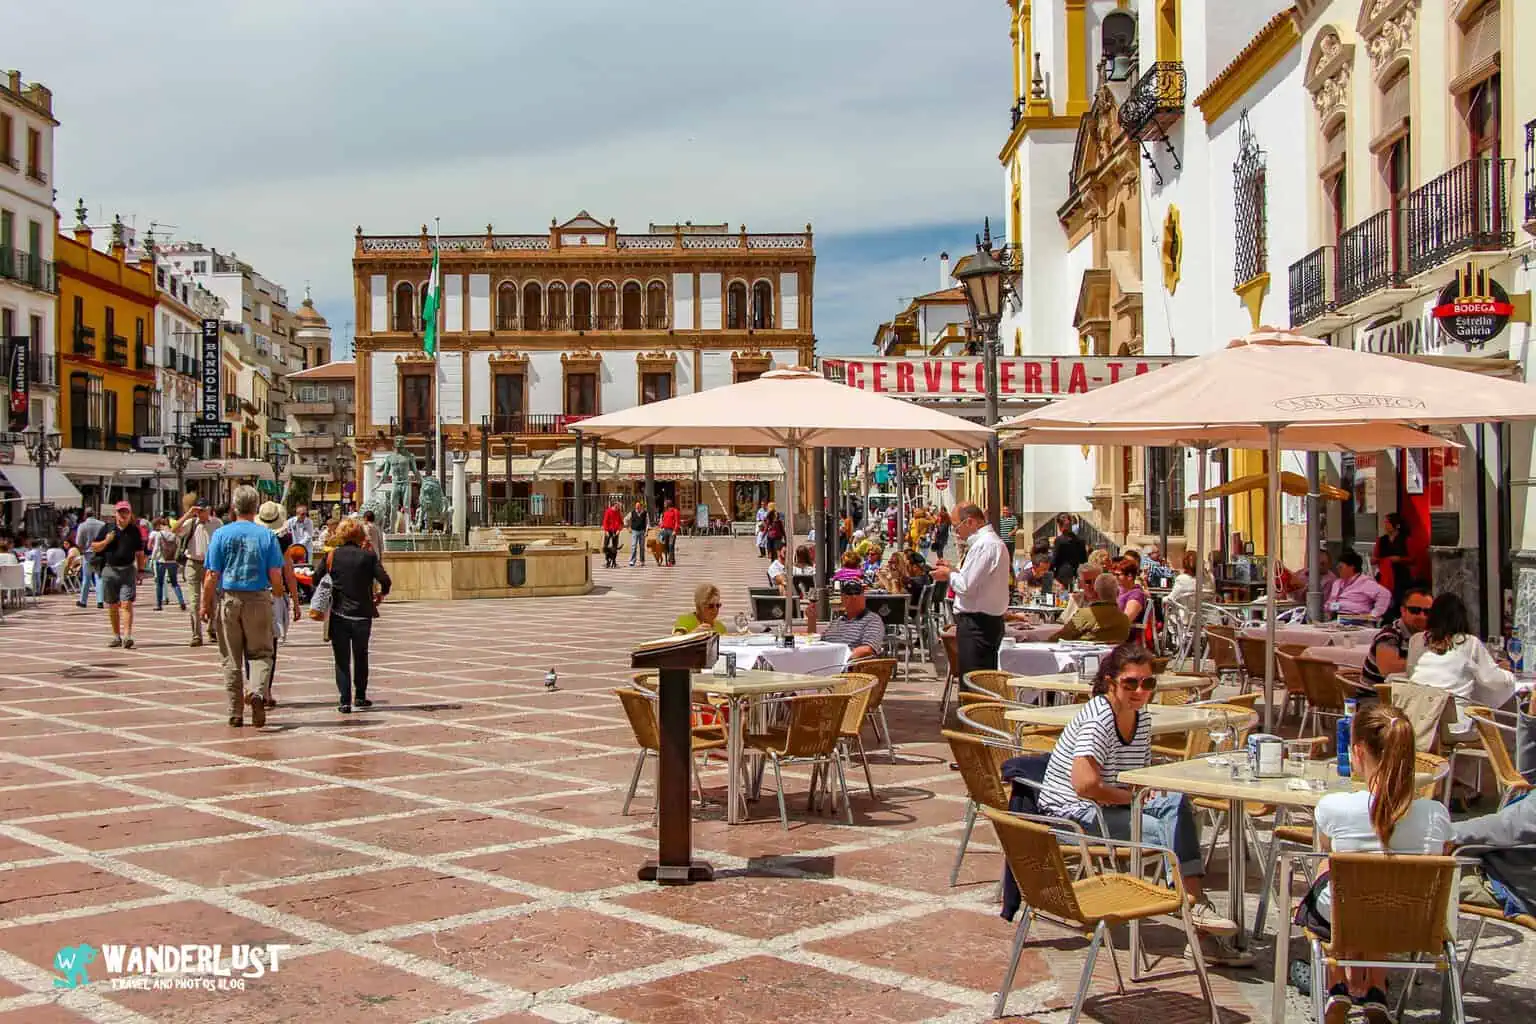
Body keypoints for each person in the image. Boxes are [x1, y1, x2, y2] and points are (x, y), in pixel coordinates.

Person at [1036, 643, 1246, 965]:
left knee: (1175, 803)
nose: (1139, 690)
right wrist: (1132, 798)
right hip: (1072, 817)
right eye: (1130, 683)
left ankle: (1193, 908)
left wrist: (1145, 794)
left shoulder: (1141, 719)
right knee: (1167, 832)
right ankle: (1196, 913)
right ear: (1110, 682)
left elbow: (1135, 777)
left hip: (1109, 807)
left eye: (1147, 683)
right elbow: (1085, 785)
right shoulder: (1099, 718)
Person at [1308, 703, 1452, 1022]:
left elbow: (1324, 856)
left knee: (1331, 870)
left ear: (1358, 752)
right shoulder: (1435, 813)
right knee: (1387, 886)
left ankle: (1337, 983)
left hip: (1348, 915)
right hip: (1414, 920)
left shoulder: (1335, 807)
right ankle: (1376, 989)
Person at [202, 486, 286, 728]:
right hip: (259, 598)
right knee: (261, 653)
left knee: (231, 657)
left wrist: (205, 605)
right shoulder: (266, 536)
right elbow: (275, 574)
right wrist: (278, 595)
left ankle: (235, 711)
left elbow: (211, 575)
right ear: (256, 507)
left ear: (233, 507)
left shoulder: (221, 534)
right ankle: (258, 692)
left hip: (230, 599)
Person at [1406, 592, 1516, 738]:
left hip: (1417, 721)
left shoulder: (1416, 640)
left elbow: (1411, 672)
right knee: (1504, 713)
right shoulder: (1468, 642)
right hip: (1452, 726)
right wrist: (1510, 675)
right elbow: (1492, 679)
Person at [932, 503, 1009, 683]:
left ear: (971, 522)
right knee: (973, 679)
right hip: (978, 622)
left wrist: (949, 574)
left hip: (978, 623)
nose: (955, 532)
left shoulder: (986, 545)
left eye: (956, 526)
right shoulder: (985, 545)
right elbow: (975, 580)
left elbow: (966, 587)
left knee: (974, 682)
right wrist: (953, 570)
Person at [323, 517, 391, 713]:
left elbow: (315, 579)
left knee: (342, 658)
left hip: (339, 614)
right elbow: (385, 580)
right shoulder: (368, 557)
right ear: (360, 535)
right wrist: (380, 594)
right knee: (361, 655)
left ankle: (344, 701)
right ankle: (360, 696)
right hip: (362, 615)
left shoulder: (333, 556)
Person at [1452, 790, 1536, 922]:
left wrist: (1431, 833)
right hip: (1513, 874)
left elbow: (1481, 832)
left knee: (1421, 881)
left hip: (1512, 890)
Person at [90, 501, 147, 649]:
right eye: (120, 512)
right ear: (115, 514)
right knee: (113, 604)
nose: (123, 515)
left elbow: (140, 553)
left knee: (126, 603)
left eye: (126, 512)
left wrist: (141, 571)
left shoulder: (134, 531)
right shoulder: (107, 528)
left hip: (128, 570)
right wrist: (106, 541)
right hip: (110, 570)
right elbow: (94, 547)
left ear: (130, 514)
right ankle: (116, 636)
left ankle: (127, 636)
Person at [1360, 585, 1432, 689]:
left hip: (1407, 692)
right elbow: (1388, 669)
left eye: (1427, 612)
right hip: (1374, 697)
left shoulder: (1429, 635)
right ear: (1403, 611)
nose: (1422, 616)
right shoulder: (1389, 635)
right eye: (1415, 610)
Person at [177, 498, 222, 647]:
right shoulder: (191, 523)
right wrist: (188, 515)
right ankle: (196, 635)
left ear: (209, 509)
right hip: (192, 563)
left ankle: (212, 628)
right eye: (199, 510)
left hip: (211, 565)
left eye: (203, 509)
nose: (201, 513)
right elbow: (174, 530)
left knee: (213, 599)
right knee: (194, 601)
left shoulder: (217, 523)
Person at [1055, 573, 1132, 643]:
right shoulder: (1125, 620)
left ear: (1095, 593)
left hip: (1082, 656)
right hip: (1113, 657)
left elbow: (1059, 637)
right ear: (1118, 593)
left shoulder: (1084, 615)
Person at [821, 580, 885, 659]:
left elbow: (867, 649)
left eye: (857, 593)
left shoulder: (872, 620)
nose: (853, 597)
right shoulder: (837, 622)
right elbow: (820, 644)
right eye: (849, 593)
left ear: (863, 598)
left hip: (851, 667)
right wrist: (811, 619)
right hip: (826, 664)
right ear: (842, 598)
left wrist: (840, 660)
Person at [1324, 551, 1391, 621]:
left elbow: (1385, 594)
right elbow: (1331, 603)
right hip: (1337, 618)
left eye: (1341, 567)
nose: (1338, 569)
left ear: (1351, 567)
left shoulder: (1365, 582)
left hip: (1358, 620)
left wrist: (1374, 614)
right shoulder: (1337, 583)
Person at [1373, 512, 1413, 621]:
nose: (1386, 526)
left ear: (1396, 525)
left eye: (1388, 523)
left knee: (1400, 600)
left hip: (1401, 576)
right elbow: (1374, 558)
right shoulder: (1381, 540)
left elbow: (1412, 559)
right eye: (1385, 523)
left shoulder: (1405, 539)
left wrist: (1399, 559)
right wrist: (1380, 560)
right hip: (1384, 576)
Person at [148, 517, 187, 612]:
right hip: (173, 561)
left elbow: (156, 548)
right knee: (175, 583)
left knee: (160, 583)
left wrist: (152, 559)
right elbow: (178, 547)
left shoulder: (159, 534)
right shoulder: (175, 535)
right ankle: (181, 601)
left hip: (161, 561)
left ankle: (159, 604)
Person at [74, 509, 107, 609]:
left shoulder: (82, 526)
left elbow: (79, 542)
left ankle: (83, 601)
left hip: (88, 553)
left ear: (85, 515)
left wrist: (83, 550)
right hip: (100, 553)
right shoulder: (102, 524)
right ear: (94, 514)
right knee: (99, 577)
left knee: (86, 578)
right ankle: (100, 601)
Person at [1049, 513, 1088, 588]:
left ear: (1059, 526)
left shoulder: (1059, 540)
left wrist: (1050, 572)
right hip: (1077, 574)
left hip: (1063, 575)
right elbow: (1084, 560)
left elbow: (1054, 560)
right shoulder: (1080, 541)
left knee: (1064, 597)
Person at [1113, 557, 1148, 625]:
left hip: (1124, 633)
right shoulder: (1118, 590)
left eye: (1117, 575)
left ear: (1130, 576)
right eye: (1113, 574)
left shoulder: (1136, 594)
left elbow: (1125, 620)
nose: (1114, 577)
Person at [601, 500, 623, 568]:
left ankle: (614, 561)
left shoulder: (618, 512)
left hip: (615, 531)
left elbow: (621, 522)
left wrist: (619, 530)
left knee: (615, 547)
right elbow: (605, 521)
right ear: (614, 505)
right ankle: (607, 561)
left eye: (619, 507)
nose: (618, 508)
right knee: (605, 547)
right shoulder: (608, 511)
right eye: (617, 506)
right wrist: (606, 530)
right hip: (608, 530)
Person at [627, 500, 649, 567]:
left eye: (638, 506)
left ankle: (642, 561)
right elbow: (625, 519)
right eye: (636, 506)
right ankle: (632, 561)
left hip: (642, 531)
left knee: (642, 547)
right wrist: (628, 528)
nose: (637, 507)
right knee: (634, 546)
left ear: (641, 506)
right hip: (634, 531)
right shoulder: (632, 513)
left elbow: (648, 522)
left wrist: (647, 531)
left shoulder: (645, 513)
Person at [659, 499, 681, 567]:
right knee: (666, 546)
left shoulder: (675, 511)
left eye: (665, 503)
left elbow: (677, 521)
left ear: (668, 504)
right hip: (665, 530)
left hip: (672, 531)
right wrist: (660, 526)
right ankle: (672, 560)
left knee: (671, 545)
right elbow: (664, 522)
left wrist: (675, 530)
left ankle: (670, 561)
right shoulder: (665, 512)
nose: (664, 504)